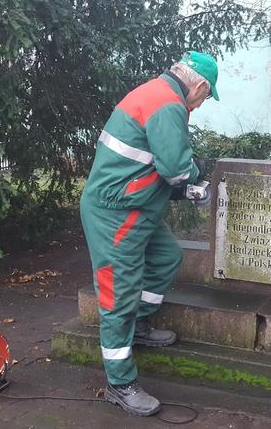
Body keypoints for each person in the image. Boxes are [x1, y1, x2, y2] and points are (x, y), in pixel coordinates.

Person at [79, 51, 218, 416]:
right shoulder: (167, 103)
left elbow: (155, 160)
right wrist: (195, 173)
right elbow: (175, 169)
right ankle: (120, 383)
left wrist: (186, 171)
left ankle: (138, 324)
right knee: (118, 294)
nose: (202, 104)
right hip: (116, 212)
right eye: (206, 96)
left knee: (165, 257)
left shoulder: (159, 94)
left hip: (134, 204)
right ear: (199, 85)